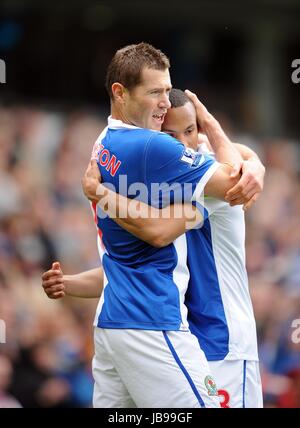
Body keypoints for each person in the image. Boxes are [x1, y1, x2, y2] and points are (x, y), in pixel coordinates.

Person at [42, 42, 256, 408]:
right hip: (153, 320)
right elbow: (234, 181)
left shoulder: (103, 142)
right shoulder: (152, 148)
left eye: (165, 89)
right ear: (120, 93)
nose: (163, 102)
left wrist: (99, 194)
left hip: (112, 321)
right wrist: (218, 133)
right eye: (154, 92)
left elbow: (129, 254)